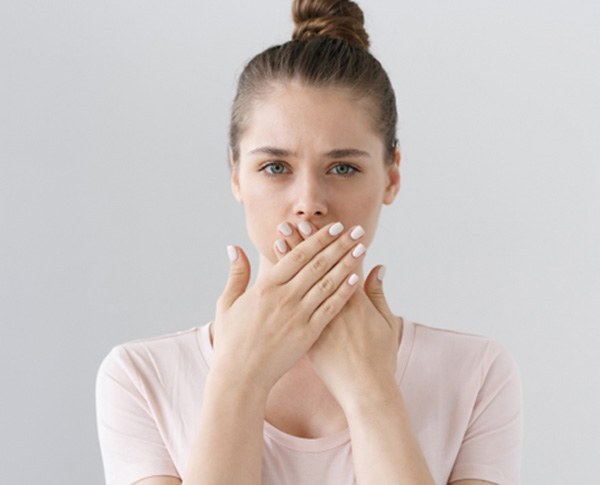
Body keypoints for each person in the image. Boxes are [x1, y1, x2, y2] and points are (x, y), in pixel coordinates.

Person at [95, 0, 522, 483]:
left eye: (343, 168)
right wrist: (239, 378)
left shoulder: (476, 374)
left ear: (391, 176)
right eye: (275, 167)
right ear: (236, 175)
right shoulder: (141, 377)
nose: (308, 202)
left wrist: (370, 390)